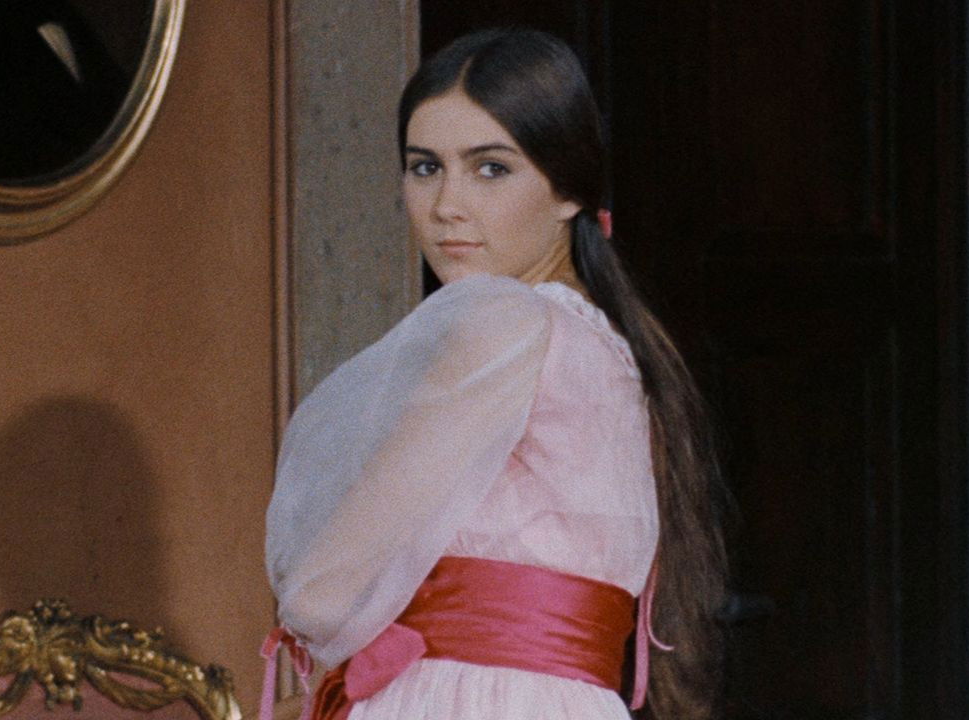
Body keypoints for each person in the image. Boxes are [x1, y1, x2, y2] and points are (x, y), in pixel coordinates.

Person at [263, 28, 728, 720]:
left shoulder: (504, 324)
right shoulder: (612, 347)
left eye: (490, 169)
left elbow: (320, 593)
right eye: (425, 167)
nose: (447, 205)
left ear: (568, 189)